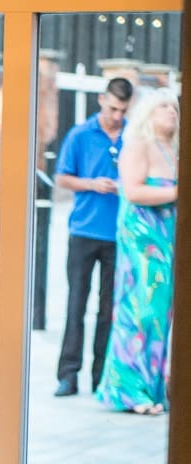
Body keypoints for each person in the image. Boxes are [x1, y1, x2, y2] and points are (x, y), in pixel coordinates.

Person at [97, 87, 179, 416]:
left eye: (174, 107)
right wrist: (177, 190)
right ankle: (128, 389)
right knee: (141, 309)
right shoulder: (138, 145)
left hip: (167, 239)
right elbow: (132, 191)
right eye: (162, 107)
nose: (171, 112)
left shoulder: (172, 149)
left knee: (162, 315)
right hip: (142, 239)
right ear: (148, 113)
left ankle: (153, 388)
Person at [54, 76, 135, 398]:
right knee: (76, 305)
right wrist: (91, 183)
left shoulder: (134, 136)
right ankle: (68, 375)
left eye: (123, 110)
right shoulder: (79, 134)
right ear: (102, 100)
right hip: (83, 232)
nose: (117, 115)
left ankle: (100, 376)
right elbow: (61, 177)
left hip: (119, 235)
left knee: (108, 309)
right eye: (113, 107)